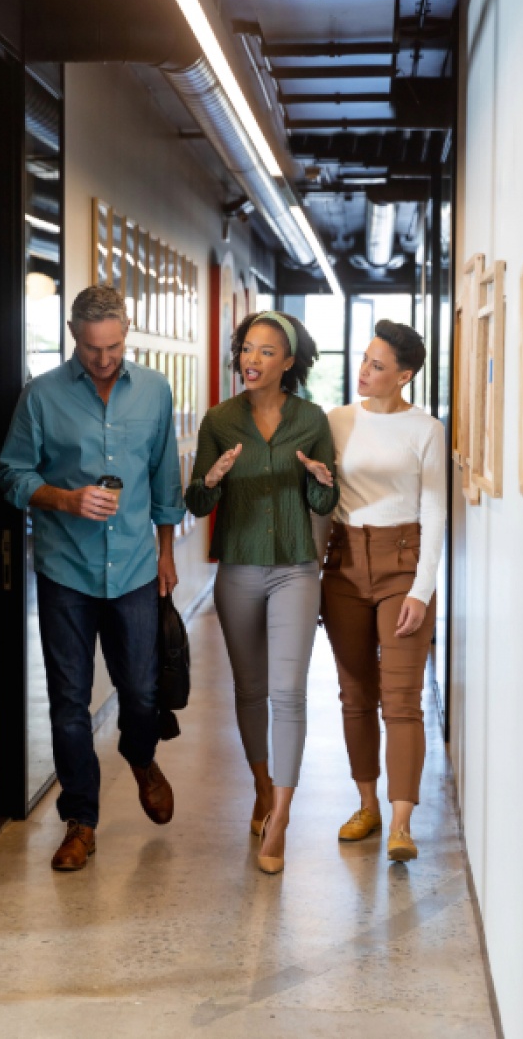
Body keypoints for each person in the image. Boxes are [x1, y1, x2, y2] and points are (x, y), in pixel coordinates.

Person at [0, 285, 185, 872]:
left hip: (133, 566)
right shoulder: (42, 396)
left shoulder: (153, 390)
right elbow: (12, 473)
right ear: (73, 335)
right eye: (91, 347)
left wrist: (166, 552)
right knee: (68, 704)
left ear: (126, 333)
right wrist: (63, 498)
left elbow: (164, 477)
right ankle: (81, 820)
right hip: (65, 571)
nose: (104, 358)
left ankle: (142, 757)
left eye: (114, 345)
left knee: (142, 692)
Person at [186, 310, 339, 875]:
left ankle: (280, 815)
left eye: (266, 351)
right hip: (239, 571)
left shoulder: (311, 419)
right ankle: (259, 784)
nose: (252, 360)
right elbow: (197, 504)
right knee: (250, 690)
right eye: (247, 349)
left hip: (296, 568)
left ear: (289, 362)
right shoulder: (220, 421)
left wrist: (323, 485)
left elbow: (324, 502)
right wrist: (210, 480)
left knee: (288, 692)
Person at [319, 320, 446, 863]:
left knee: (401, 699)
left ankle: (401, 823)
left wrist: (422, 590)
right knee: (355, 696)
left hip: (403, 565)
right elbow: (320, 498)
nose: (364, 371)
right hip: (344, 565)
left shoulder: (426, 429)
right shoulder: (335, 421)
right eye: (364, 360)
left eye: (377, 365)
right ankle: (366, 805)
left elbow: (436, 511)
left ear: (404, 376)